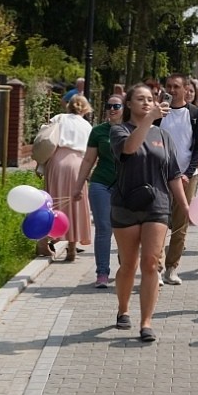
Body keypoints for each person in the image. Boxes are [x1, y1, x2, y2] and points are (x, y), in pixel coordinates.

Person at [110, 84, 188, 343]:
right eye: (140, 99)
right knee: (129, 264)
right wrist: (149, 121)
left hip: (158, 205)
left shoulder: (163, 136)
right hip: (126, 205)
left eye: (149, 99)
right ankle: (123, 309)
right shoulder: (119, 130)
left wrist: (185, 206)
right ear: (129, 104)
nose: (146, 103)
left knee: (151, 263)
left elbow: (174, 174)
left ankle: (146, 323)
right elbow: (130, 149)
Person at [159, 73, 198, 285]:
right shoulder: (160, 112)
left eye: (176, 86)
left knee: (180, 223)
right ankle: (155, 266)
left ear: (186, 89)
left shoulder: (195, 113)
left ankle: (171, 267)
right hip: (160, 174)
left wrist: (188, 173)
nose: (172, 90)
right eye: (169, 86)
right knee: (157, 220)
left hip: (187, 175)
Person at [72, 96, 123, 287]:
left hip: (125, 186)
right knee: (104, 228)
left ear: (124, 108)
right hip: (101, 184)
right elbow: (88, 161)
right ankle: (102, 273)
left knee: (124, 230)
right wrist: (78, 187)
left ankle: (125, 268)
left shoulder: (131, 129)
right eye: (108, 106)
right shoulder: (99, 131)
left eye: (116, 106)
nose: (112, 109)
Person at [41, 95, 94, 262]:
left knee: (53, 202)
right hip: (78, 163)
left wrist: (41, 163)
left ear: (68, 106)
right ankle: (72, 247)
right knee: (75, 204)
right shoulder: (87, 126)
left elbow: (44, 138)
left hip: (57, 160)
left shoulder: (58, 119)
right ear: (86, 109)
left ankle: (46, 240)